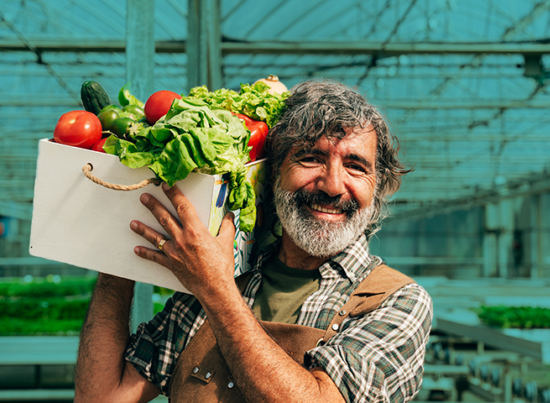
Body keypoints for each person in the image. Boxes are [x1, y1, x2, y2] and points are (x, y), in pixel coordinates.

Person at [74, 80, 433, 403]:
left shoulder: (397, 301)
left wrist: (215, 290)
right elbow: (101, 397)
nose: (333, 185)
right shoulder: (218, 279)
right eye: (310, 158)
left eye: (356, 166)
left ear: (377, 187)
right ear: (273, 172)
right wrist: (119, 248)